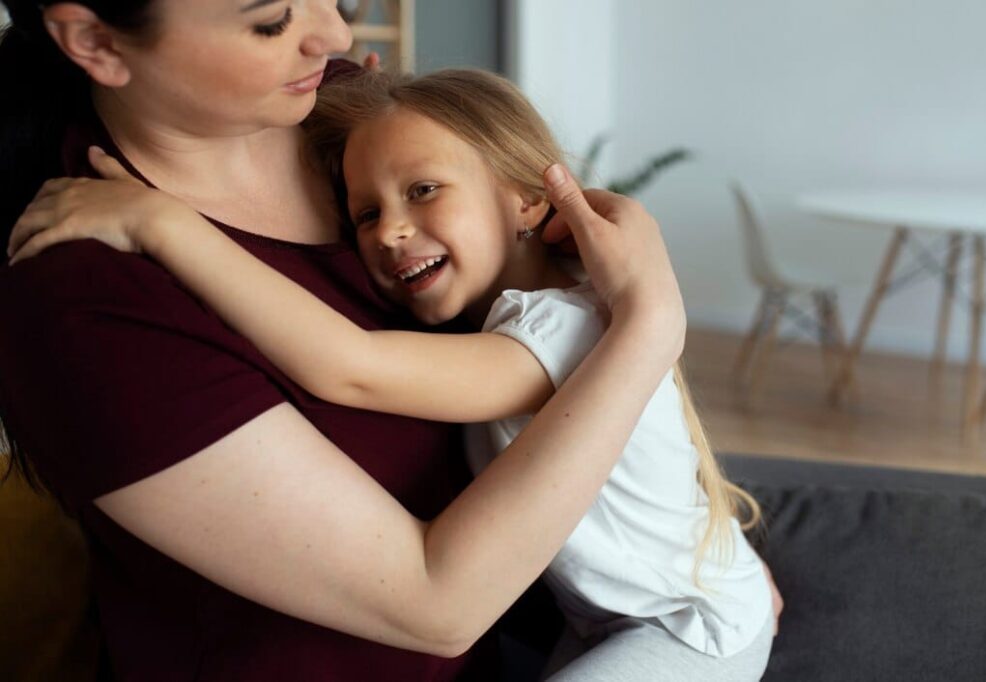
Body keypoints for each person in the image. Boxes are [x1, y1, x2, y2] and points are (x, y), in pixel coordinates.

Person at [9, 68, 779, 680]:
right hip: (615, 620)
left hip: (686, 629)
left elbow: (351, 368)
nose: (391, 231)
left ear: (525, 199)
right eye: (366, 212)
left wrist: (164, 223)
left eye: (422, 191)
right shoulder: (517, 322)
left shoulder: (557, 332)